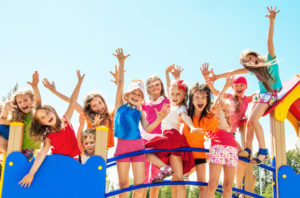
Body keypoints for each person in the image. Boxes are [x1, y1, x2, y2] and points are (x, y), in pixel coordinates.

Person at [205, 6, 282, 164]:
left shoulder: (269, 61)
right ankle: (247, 148)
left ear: (257, 56)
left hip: (272, 94)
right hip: (261, 96)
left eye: (252, 58)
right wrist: (217, 76)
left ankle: (263, 151)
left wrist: (272, 21)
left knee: (254, 119)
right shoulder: (253, 71)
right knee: (249, 120)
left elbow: (269, 41)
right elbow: (234, 71)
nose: (252, 62)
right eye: (248, 62)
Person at [113, 48, 169, 198]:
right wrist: (121, 63)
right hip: (122, 149)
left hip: (138, 147)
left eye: (139, 95)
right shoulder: (120, 106)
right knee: (123, 185)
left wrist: (159, 118)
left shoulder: (139, 112)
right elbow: (120, 84)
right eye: (134, 93)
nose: (136, 96)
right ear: (127, 94)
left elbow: (147, 128)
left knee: (141, 185)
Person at [19, 70, 84, 188]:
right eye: (43, 118)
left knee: (74, 186)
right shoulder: (49, 137)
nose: (47, 117)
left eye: (47, 113)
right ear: (42, 123)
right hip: (58, 162)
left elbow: (73, 101)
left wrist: (79, 82)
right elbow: (42, 154)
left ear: (53, 111)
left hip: (73, 160)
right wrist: (31, 173)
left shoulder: (66, 120)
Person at [145, 65, 202, 198]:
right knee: (178, 177)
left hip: (172, 137)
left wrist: (192, 127)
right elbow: (170, 86)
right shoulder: (170, 104)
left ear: (184, 96)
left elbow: (185, 117)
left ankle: (165, 167)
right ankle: (166, 168)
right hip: (173, 142)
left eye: (178, 94)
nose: (175, 96)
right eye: (173, 94)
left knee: (145, 150)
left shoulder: (180, 108)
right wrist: (167, 73)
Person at [42, 78, 114, 153]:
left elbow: (120, 104)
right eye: (94, 106)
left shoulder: (111, 115)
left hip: (102, 151)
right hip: (89, 151)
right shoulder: (89, 117)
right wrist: (55, 92)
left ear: (103, 102)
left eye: (100, 103)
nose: (99, 106)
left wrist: (119, 84)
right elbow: (72, 103)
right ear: (91, 108)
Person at [182, 82, 219, 198]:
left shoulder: (209, 117)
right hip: (185, 153)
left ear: (207, 100)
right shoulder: (186, 114)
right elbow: (176, 100)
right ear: (192, 100)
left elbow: (218, 131)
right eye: (197, 97)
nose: (200, 100)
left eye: (203, 97)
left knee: (202, 184)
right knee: (179, 182)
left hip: (199, 153)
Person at [206, 75, 238, 198]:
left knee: (228, 186)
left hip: (231, 151)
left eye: (226, 111)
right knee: (213, 184)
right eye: (222, 110)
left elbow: (226, 128)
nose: (224, 113)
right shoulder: (212, 119)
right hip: (218, 149)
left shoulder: (229, 127)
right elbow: (218, 101)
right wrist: (225, 87)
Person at [0, 71, 42, 160]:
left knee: (22, 163)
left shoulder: (35, 114)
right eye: (19, 102)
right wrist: (5, 109)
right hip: (16, 147)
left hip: (29, 148)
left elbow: (38, 102)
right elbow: (2, 120)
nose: (23, 103)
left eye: (25, 100)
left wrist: (35, 87)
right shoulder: (18, 116)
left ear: (32, 100)